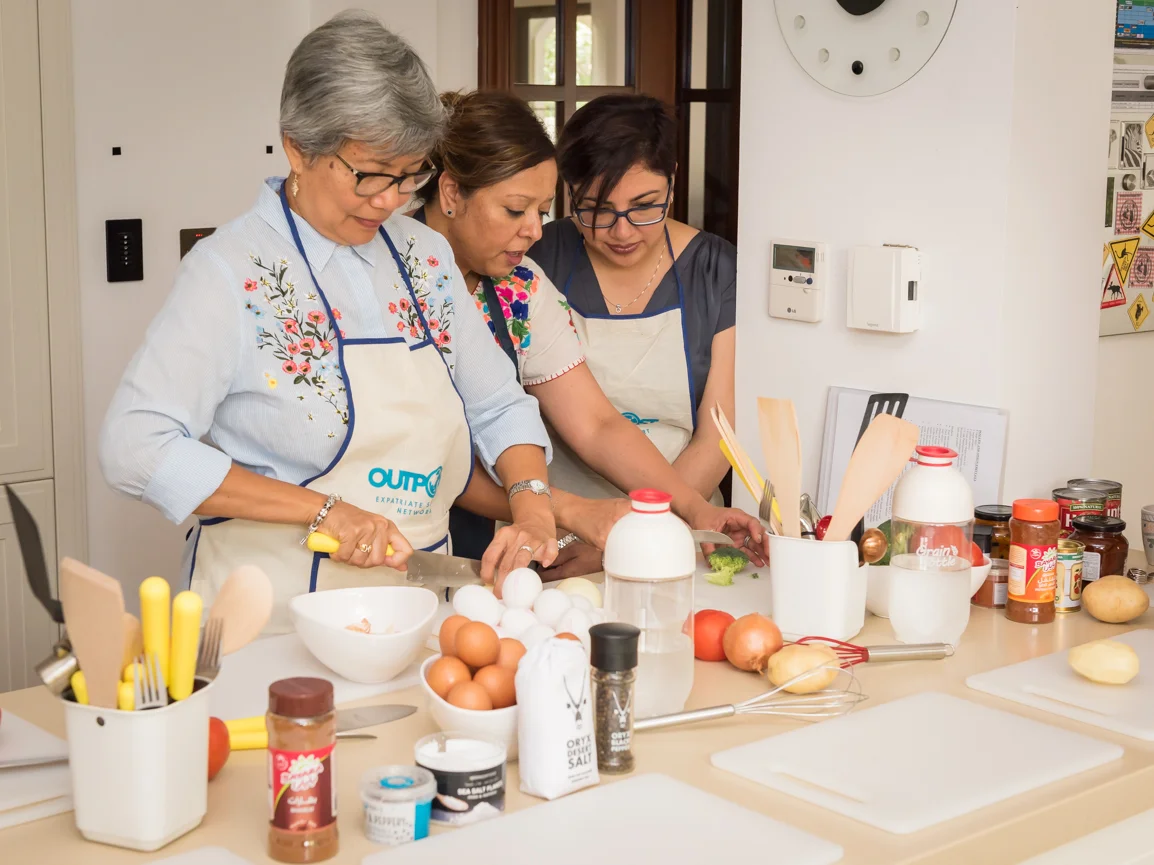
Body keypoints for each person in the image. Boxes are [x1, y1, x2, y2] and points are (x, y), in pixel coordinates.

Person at [99, 12, 558, 631]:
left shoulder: (425, 258)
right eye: (370, 174)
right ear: (297, 145)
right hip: (268, 617)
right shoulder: (231, 271)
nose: (390, 200)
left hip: (417, 608)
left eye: (409, 175)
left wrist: (531, 504)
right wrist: (321, 511)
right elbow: (135, 447)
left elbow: (499, 406)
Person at [413, 91, 765, 576]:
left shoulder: (520, 286)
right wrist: (567, 510)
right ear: (451, 194)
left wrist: (694, 509)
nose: (536, 231)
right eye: (517, 210)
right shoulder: (388, 274)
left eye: (541, 209)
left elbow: (595, 424)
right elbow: (427, 451)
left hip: (501, 540)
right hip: (391, 527)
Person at [529, 95, 742, 575]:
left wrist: (632, 534)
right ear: (568, 191)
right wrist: (585, 525)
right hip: (558, 532)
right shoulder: (539, 258)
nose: (621, 231)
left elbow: (717, 438)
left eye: (645, 207)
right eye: (596, 209)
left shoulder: (715, 269)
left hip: (679, 526)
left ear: (673, 179)